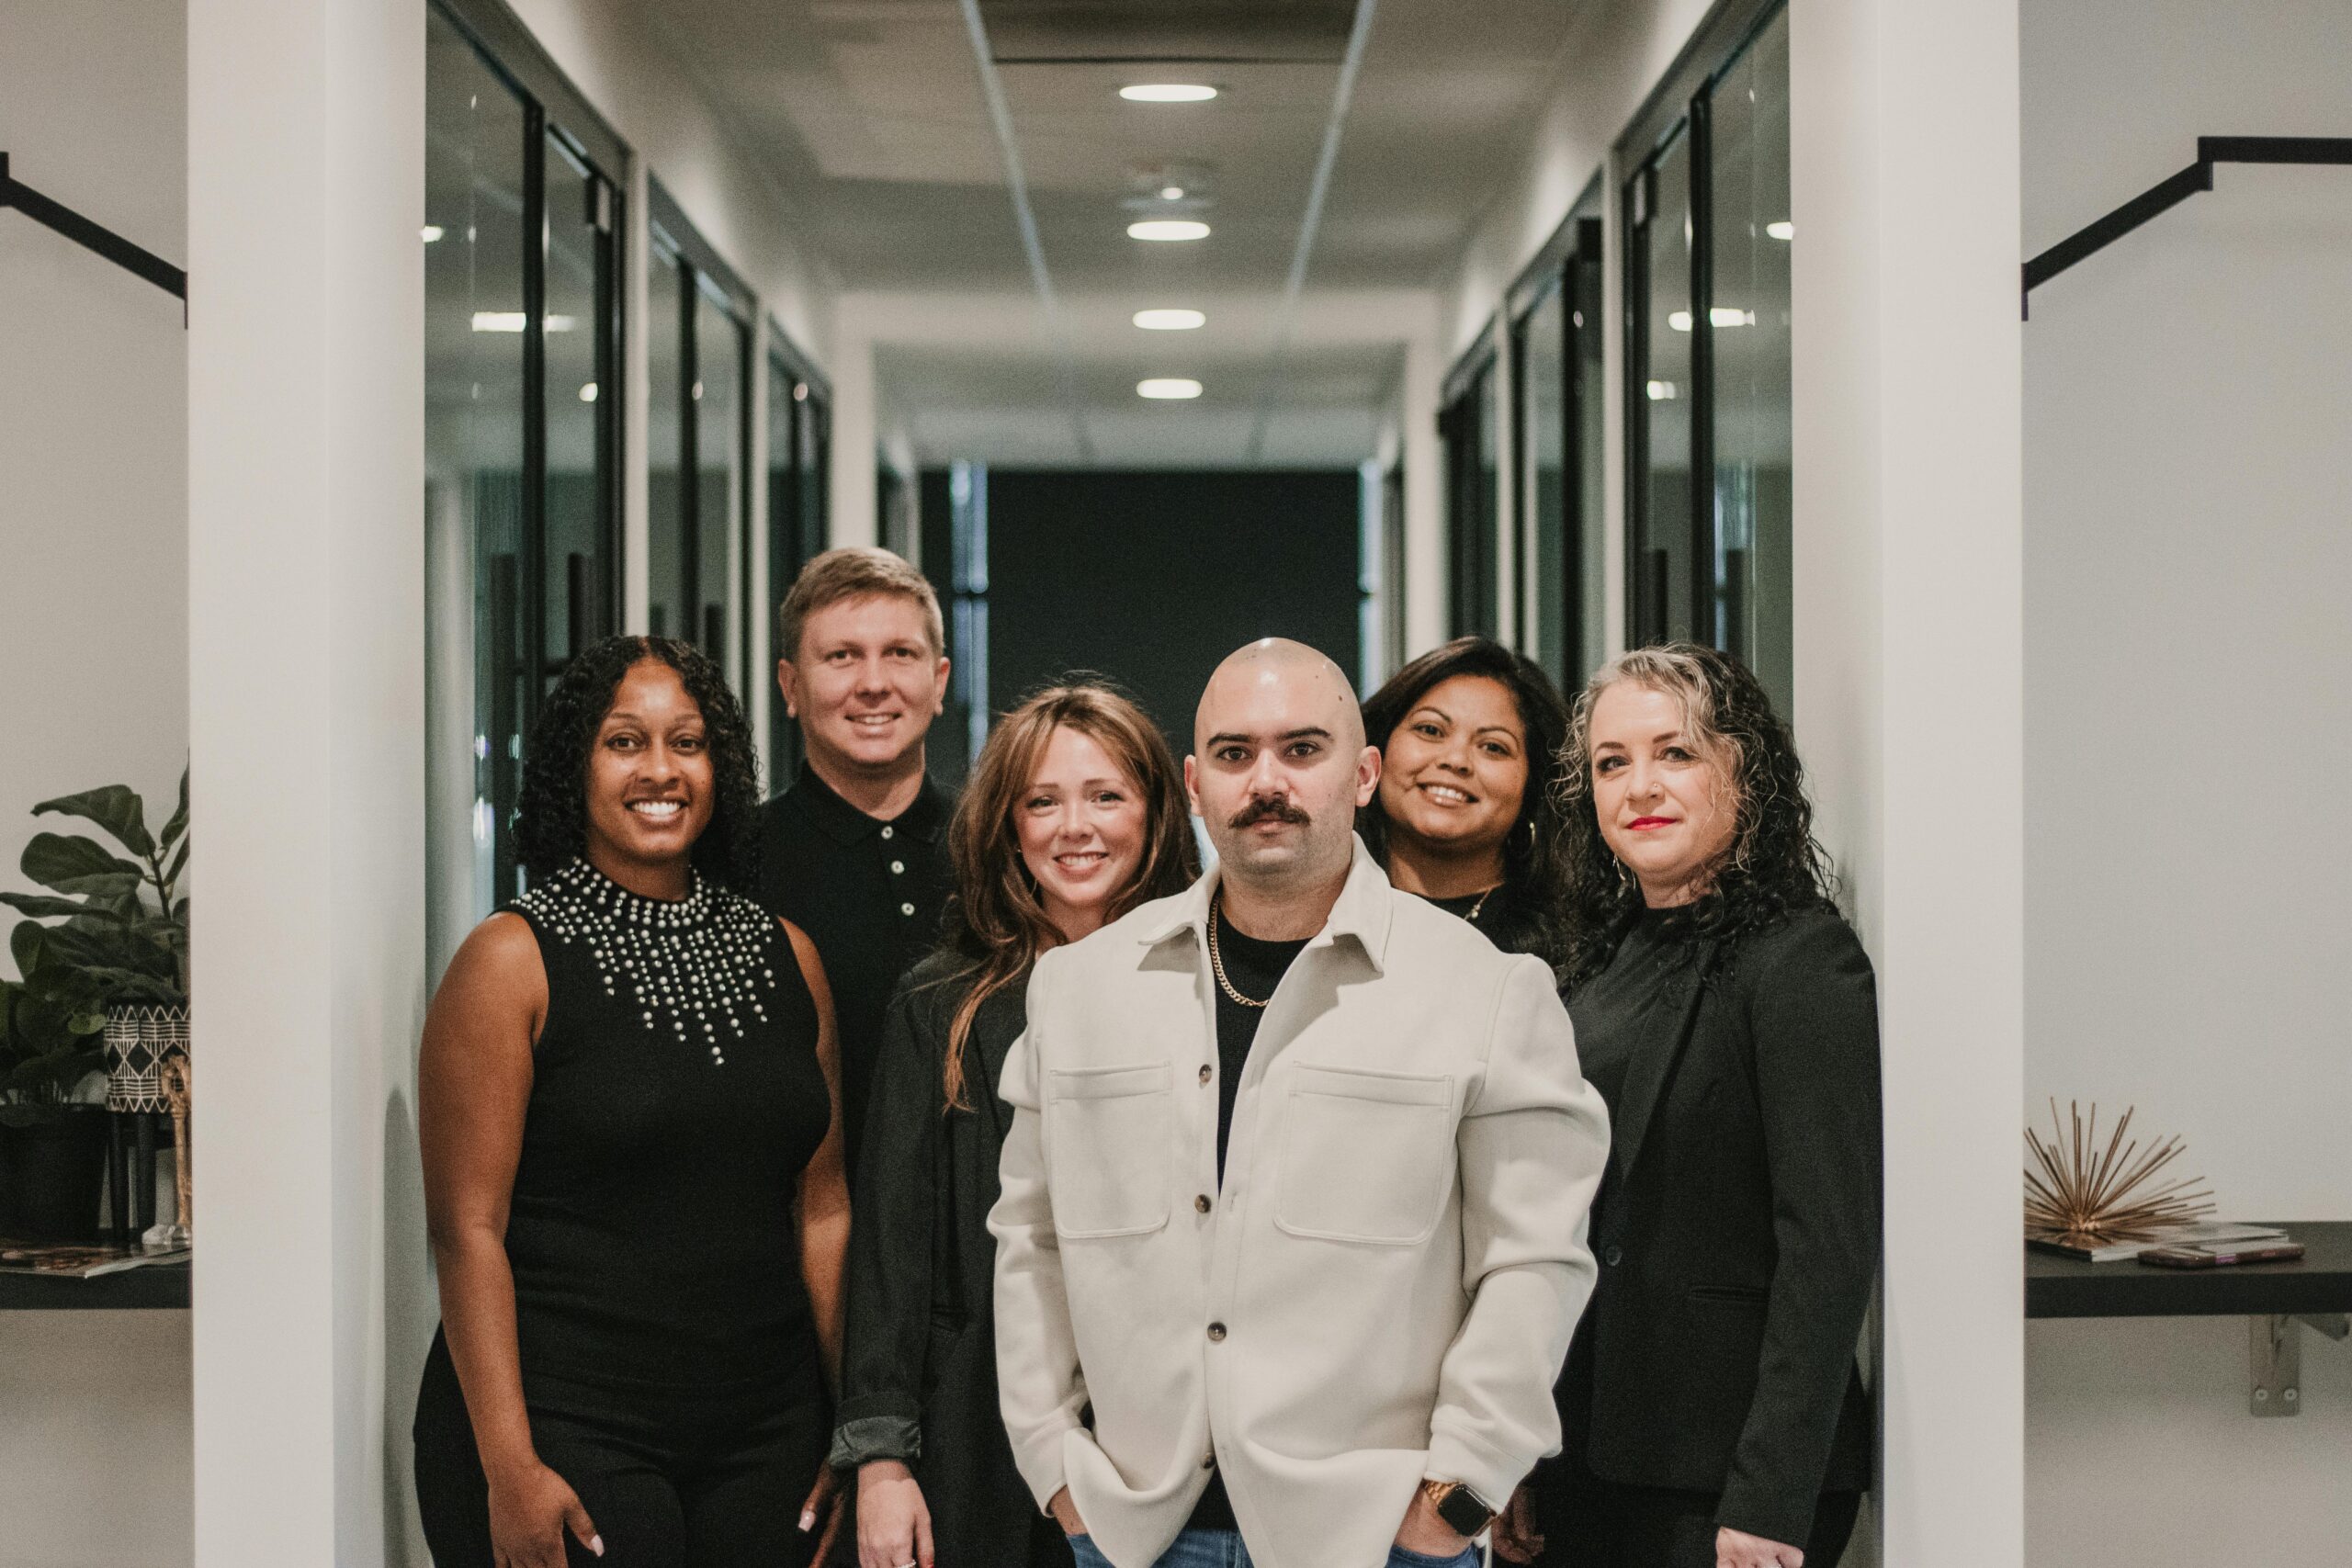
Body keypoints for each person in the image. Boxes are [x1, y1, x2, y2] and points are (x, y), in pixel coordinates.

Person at [990, 637, 1612, 1568]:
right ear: (1196, 785)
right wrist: (1052, 1465)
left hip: (1379, 1537)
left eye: (1302, 749)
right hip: (1134, 1531)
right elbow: (1030, 1241)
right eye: (1236, 755)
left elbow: (1534, 1265)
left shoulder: (1482, 989)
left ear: (1361, 775)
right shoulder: (1080, 989)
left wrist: (1463, 1491)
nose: (1266, 781)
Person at [413, 636, 848, 1568]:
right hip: (567, 1421)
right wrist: (508, 1464)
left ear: (719, 767)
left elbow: (822, 1206)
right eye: (624, 742)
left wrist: (852, 1429)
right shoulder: (508, 961)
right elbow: (465, 1229)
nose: (660, 770)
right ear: (577, 767)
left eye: (686, 743)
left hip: (766, 1427)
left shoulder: (787, 955)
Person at [1510, 644, 1879, 1568]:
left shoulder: (1801, 961)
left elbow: (1826, 1246)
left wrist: (1771, 1497)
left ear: (1742, 772)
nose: (1639, 785)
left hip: (1722, 1482)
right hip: (1583, 1451)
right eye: (1610, 763)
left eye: (1674, 753)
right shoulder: (1596, 957)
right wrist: (1509, 1450)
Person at [832, 682, 1199, 1568]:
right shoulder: (940, 1002)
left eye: (1106, 795)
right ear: (1008, 824)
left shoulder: (1211, 991)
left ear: (1156, 814)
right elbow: (892, 1246)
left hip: (1171, 1442)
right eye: (1044, 800)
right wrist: (881, 1457)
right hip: (976, 1431)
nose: (1075, 826)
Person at [758, 547, 956, 1175]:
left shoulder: (1003, 848)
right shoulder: (733, 861)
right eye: (842, 656)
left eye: (900, 653)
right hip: (788, 1242)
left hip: (988, 1244)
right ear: (791, 686)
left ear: (940, 681)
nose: (874, 682)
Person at [1359, 636, 1572, 971]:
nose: (1456, 760)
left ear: (1532, 785)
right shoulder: (1316, 912)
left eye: (1493, 747)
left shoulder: (1573, 950)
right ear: (1377, 751)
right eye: (1430, 730)